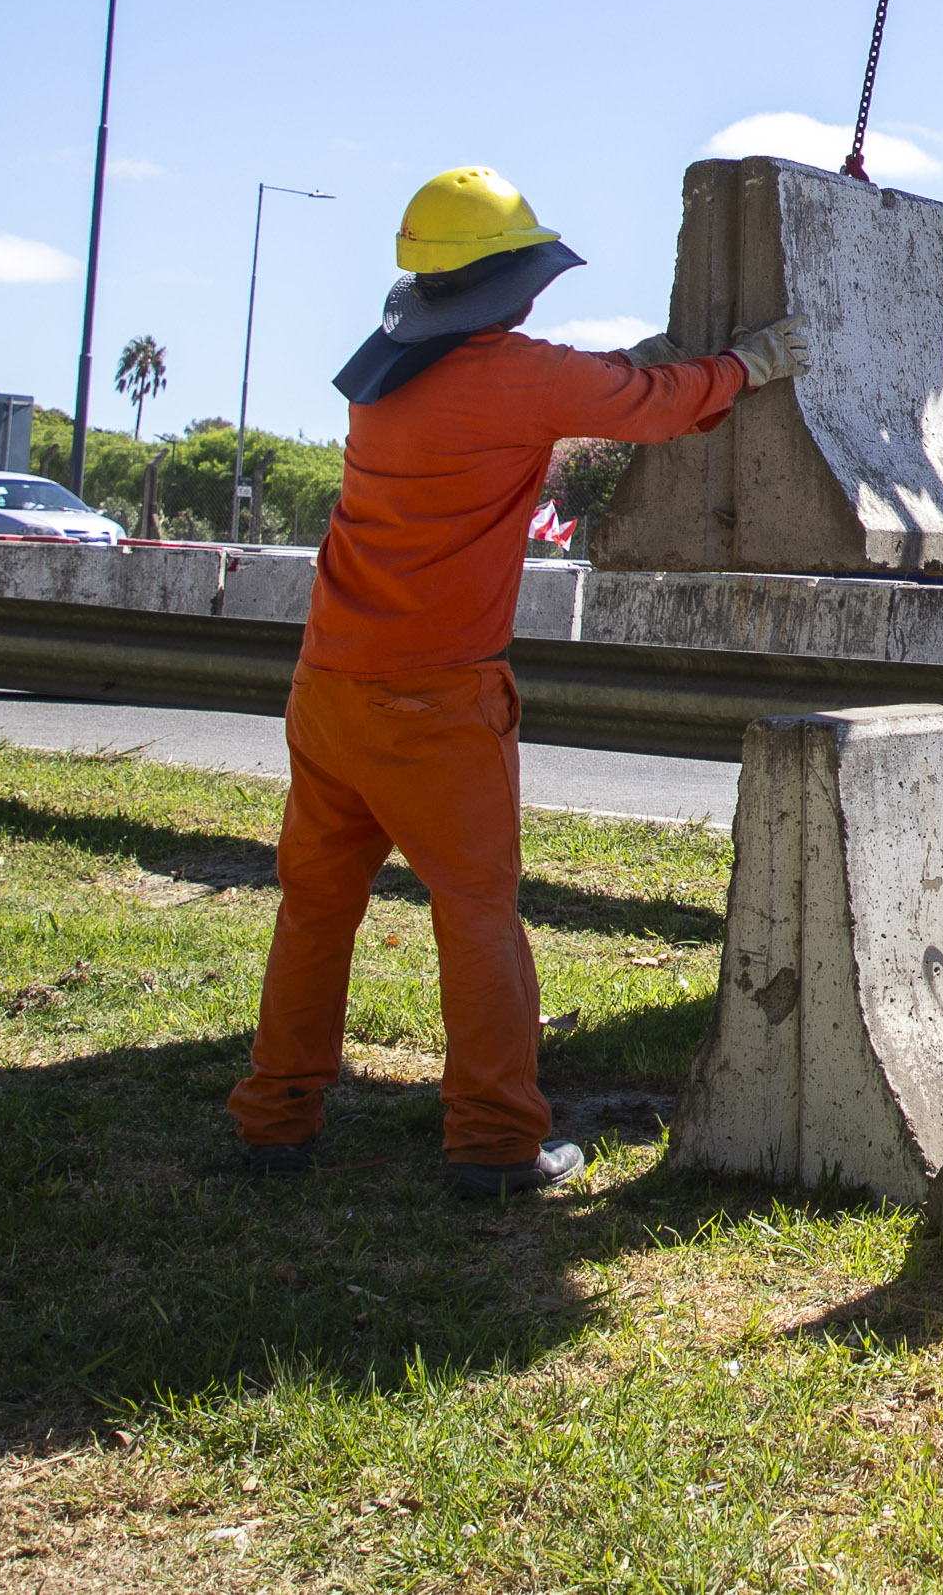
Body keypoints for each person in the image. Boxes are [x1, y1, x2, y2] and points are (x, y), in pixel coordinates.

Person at [226, 166, 807, 1198]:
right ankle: (495, 1139)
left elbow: (552, 398)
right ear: (511, 282)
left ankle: (276, 1117)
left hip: (329, 685)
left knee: (315, 908)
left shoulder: (386, 374)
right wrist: (744, 368)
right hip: (437, 699)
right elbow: (653, 406)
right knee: (476, 911)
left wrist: (630, 367)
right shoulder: (518, 375)